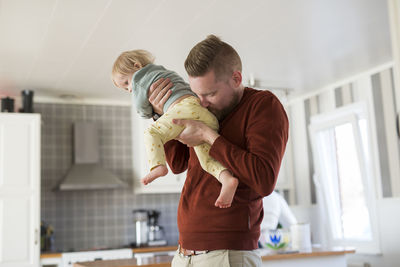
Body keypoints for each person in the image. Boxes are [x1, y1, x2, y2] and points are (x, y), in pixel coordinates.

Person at [148, 35, 289, 267]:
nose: (201, 102)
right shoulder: (201, 107)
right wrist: (163, 115)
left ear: (236, 78)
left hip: (227, 254)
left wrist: (208, 136)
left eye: (210, 94)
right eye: (197, 94)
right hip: (184, 253)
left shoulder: (263, 106)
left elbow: (264, 180)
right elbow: (178, 163)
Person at [111, 50, 239, 208]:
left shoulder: (139, 79)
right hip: (202, 112)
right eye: (125, 89)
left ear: (137, 66)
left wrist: (149, 112)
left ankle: (158, 166)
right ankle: (227, 179)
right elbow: (178, 164)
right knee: (206, 159)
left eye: (126, 83)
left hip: (183, 110)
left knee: (151, 133)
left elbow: (140, 107)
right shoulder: (164, 71)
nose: (130, 89)